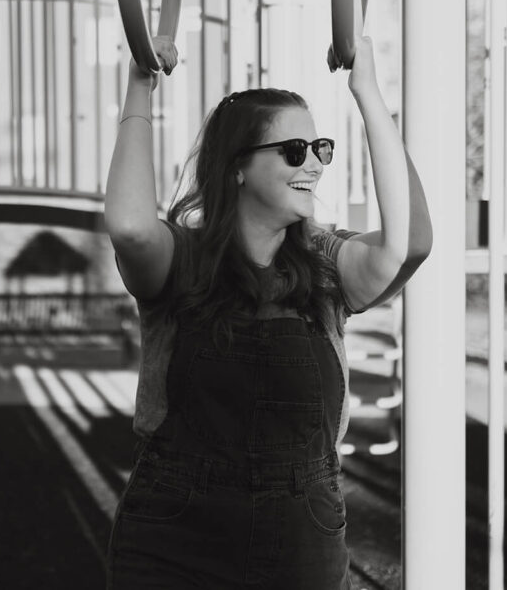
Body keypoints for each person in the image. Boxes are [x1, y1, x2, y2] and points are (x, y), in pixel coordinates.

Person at [103, 34, 433, 589]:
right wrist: (140, 87)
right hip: (177, 531)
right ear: (237, 168)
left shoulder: (327, 268)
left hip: (300, 531)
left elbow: (411, 243)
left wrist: (368, 93)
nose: (314, 166)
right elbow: (131, 228)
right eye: (293, 151)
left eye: (319, 148)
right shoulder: (182, 260)